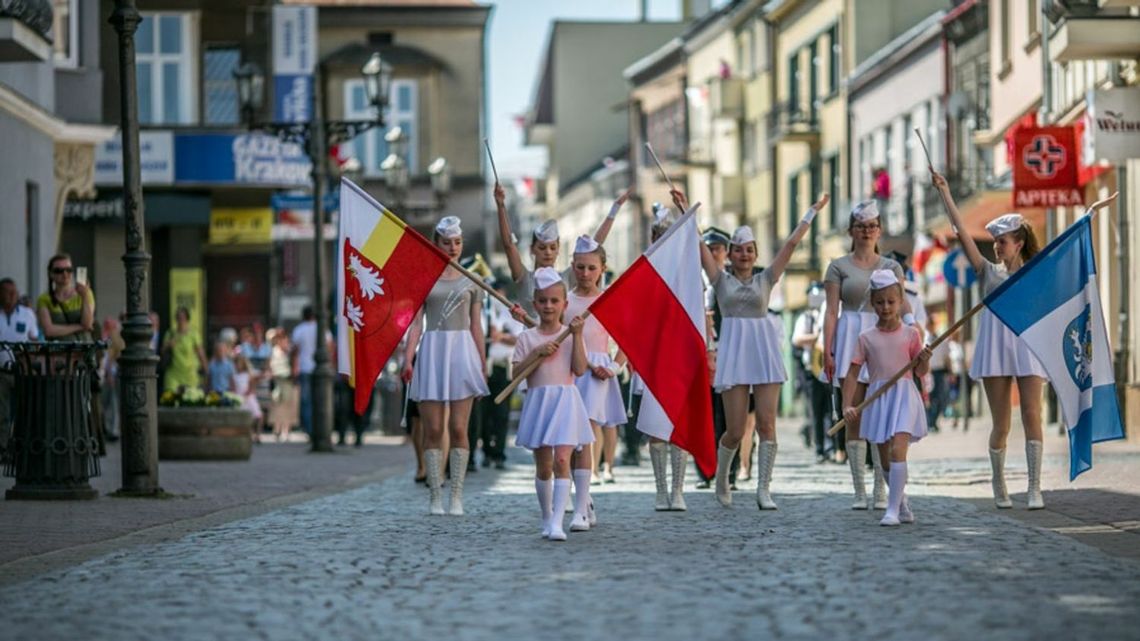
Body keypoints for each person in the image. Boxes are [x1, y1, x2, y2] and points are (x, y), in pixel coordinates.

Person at [691, 187, 828, 510]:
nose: (744, 255)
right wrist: (688, 213)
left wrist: (811, 212)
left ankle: (764, 488)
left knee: (766, 424)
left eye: (749, 249)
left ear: (755, 252)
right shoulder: (719, 281)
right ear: (730, 254)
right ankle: (723, 476)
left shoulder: (767, 278)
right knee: (735, 430)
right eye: (738, 250)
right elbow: (699, 247)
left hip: (763, 350)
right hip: (734, 351)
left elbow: (791, 244)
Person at [932, 171, 1047, 509]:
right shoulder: (987, 272)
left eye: (1003, 241)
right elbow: (962, 233)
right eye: (995, 241)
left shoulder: (1035, 270)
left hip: (1027, 346)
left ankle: (1034, 487)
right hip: (996, 348)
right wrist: (945, 192)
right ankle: (999, 483)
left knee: (1032, 413)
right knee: (1001, 422)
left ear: (1019, 243)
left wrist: (1089, 215)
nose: (997, 247)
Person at [822, 201, 912, 510]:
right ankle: (859, 489)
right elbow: (831, 311)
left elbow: (904, 305)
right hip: (850, 336)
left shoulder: (891, 267)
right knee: (854, 414)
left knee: (881, 413)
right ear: (851, 231)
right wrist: (828, 349)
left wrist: (915, 334)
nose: (867, 231)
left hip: (884, 336)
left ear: (880, 230)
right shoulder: (838, 266)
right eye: (861, 226)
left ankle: (879, 487)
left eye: (873, 226)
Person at [402, 216, 489, 516]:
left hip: (462, 350)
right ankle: (435, 495)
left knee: (458, 427)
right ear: (435, 244)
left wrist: (482, 361)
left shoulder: (474, 280)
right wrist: (407, 357)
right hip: (433, 350)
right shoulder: (423, 278)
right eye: (446, 243)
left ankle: (457, 495)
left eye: (457, 242)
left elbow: (476, 325)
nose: (452, 248)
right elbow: (415, 324)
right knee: (434, 428)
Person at [842, 270, 932, 526]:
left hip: (904, 396)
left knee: (897, 449)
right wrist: (848, 404)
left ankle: (891, 510)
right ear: (873, 302)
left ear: (901, 300)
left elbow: (919, 372)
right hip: (879, 398)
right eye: (880, 302)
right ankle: (900, 499)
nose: (886, 307)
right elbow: (852, 373)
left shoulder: (911, 334)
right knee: (884, 457)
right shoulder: (866, 338)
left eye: (891, 302)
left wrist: (925, 360)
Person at [513, 267, 592, 541]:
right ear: (534, 303)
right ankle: (546, 516)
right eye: (543, 301)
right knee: (544, 465)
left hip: (566, 401)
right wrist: (535, 353)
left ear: (564, 304)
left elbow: (580, 369)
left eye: (554, 301)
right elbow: (516, 375)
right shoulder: (527, 338)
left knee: (562, 459)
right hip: (540, 402)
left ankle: (559, 521)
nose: (548, 306)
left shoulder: (570, 335)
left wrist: (578, 335)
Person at [494, 182, 628, 321]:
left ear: (558, 250)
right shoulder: (524, 278)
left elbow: (593, 248)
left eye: (553, 248)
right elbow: (509, 246)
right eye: (542, 247)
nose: (548, 252)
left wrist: (613, 211)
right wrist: (501, 206)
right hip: (531, 341)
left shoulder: (565, 278)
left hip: (561, 341)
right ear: (532, 249)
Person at [566, 235, 627, 485]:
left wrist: (612, 367)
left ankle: (590, 475)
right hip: (571, 367)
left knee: (591, 424)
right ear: (573, 267)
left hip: (599, 370)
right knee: (570, 428)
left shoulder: (609, 301)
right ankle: (570, 478)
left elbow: (626, 341)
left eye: (592, 268)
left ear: (602, 269)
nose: (586, 273)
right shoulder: (565, 301)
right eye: (580, 267)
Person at [695, 227, 731, 489]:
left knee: (729, 415)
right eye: (708, 249)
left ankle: (727, 471)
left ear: (725, 252)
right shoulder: (692, 282)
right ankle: (704, 470)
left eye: (717, 248)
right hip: (699, 356)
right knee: (702, 415)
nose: (712, 253)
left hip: (726, 354)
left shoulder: (730, 281)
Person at [482, 282, 524, 469]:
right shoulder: (483, 311)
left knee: (501, 413)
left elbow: (519, 338)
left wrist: (502, 337)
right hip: (484, 368)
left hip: (503, 368)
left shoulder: (511, 313)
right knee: (484, 413)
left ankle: (499, 452)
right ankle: (486, 452)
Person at [792, 282, 833, 463]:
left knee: (831, 410)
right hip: (812, 370)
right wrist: (817, 337)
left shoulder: (829, 313)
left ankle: (831, 446)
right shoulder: (805, 318)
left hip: (829, 368)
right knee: (815, 411)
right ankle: (819, 448)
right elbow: (796, 339)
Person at [0, 277, 39, 450]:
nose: (13, 295)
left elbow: (35, 338)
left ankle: (22, 447)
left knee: (24, 410)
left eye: (14, 292)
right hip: (1, 372)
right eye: (8, 292)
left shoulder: (27, 314)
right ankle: (3, 447)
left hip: (23, 370)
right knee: (2, 412)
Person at [291, 305, 332, 438]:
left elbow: (295, 351)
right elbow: (330, 346)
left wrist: (294, 368)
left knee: (306, 401)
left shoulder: (299, 330)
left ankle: (310, 429)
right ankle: (322, 427)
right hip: (320, 367)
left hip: (305, 368)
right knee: (321, 399)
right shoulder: (322, 329)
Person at [36, 254, 94, 342]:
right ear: (51, 274)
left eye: (69, 270)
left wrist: (84, 296)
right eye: (59, 271)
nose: (65, 274)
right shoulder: (44, 299)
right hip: (58, 354)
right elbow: (48, 330)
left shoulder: (85, 293)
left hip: (84, 352)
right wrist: (79, 327)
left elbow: (87, 323)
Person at [161, 307, 207, 392]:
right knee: (170, 397)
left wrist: (205, 369)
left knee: (190, 398)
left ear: (187, 319)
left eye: (183, 317)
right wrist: (169, 345)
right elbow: (162, 351)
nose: (180, 320)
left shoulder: (194, 334)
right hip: (173, 373)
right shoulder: (170, 333)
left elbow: (200, 353)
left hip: (190, 373)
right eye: (178, 317)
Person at [267, 329, 297, 442]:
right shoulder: (273, 351)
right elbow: (269, 366)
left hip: (288, 381)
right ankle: (277, 428)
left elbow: (294, 367)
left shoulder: (290, 351)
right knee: (277, 406)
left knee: (288, 407)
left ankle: (286, 430)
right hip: (277, 381)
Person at [100, 317, 125, 443]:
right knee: (111, 402)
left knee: (113, 402)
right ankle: (112, 429)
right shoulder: (114, 335)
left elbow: (110, 357)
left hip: (114, 374)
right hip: (112, 374)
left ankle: (113, 429)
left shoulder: (114, 335)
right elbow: (110, 357)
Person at [925, 318, 952, 433]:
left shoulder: (941, 339)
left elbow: (947, 357)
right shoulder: (924, 339)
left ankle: (933, 421)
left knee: (941, 398)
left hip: (940, 372)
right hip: (928, 372)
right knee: (930, 399)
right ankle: (930, 422)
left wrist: (951, 372)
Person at [233, 353, 263, 443]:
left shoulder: (248, 374)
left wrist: (248, 392)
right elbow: (233, 388)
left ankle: (257, 434)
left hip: (249, 398)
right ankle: (249, 434)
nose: (238, 365)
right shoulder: (234, 375)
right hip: (239, 398)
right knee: (244, 418)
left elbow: (252, 386)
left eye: (239, 363)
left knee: (258, 416)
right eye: (236, 363)